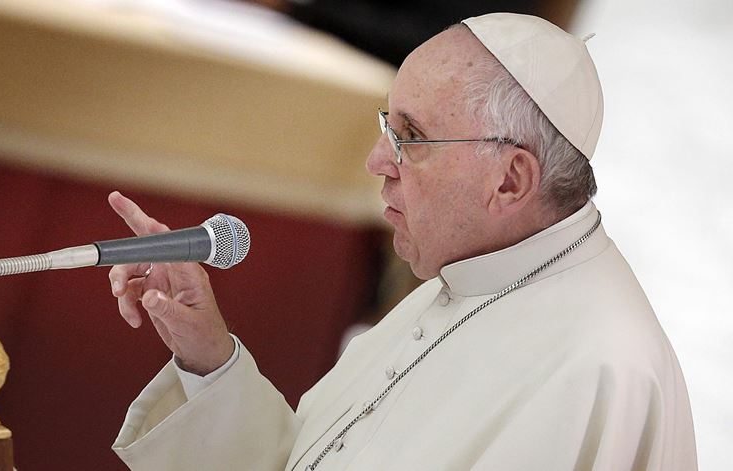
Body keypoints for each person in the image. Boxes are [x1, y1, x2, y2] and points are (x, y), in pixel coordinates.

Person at [109, 13, 697, 471]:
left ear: (510, 180)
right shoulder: (474, 273)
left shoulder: (597, 372)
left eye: (412, 137)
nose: (375, 161)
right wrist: (206, 354)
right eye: (387, 125)